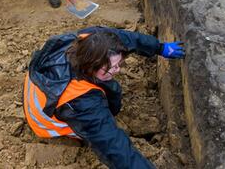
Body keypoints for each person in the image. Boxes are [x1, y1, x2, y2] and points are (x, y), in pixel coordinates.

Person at [23, 26, 185, 168]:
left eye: (118, 64)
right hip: (46, 120)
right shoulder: (80, 102)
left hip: (42, 84)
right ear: (90, 67)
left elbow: (127, 38)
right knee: (99, 131)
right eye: (110, 68)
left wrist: (159, 47)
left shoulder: (90, 39)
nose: (118, 70)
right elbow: (115, 147)